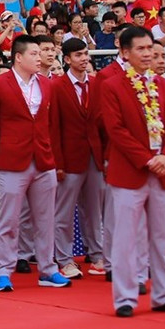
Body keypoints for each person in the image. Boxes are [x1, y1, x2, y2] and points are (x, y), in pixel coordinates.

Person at [101, 27, 165, 317]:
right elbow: (115, 130)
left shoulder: (164, 86)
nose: (148, 53)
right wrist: (147, 159)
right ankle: (125, 297)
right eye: (141, 49)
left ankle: (163, 293)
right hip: (130, 174)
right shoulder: (113, 86)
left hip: (164, 173)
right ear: (125, 53)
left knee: (163, 238)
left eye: (150, 48)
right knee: (126, 238)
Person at [0, 35, 71, 292]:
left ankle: (47, 269)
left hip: (43, 160)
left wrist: (53, 157)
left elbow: (51, 124)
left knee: (45, 218)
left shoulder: (47, 84)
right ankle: (3, 271)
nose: (39, 58)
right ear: (18, 57)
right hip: (11, 160)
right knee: (9, 219)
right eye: (34, 53)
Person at [50, 38, 107, 279]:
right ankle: (64, 258)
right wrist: (58, 163)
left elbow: (103, 124)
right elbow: (53, 128)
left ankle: (97, 253)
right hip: (69, 160)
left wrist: (104, 157)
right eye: (78, 55)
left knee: (95, 211)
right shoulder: (57, 86)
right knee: (63, 211)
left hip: (95, 157)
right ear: (67, 59)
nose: (84, 58)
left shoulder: (96, 85)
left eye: (86, 54)